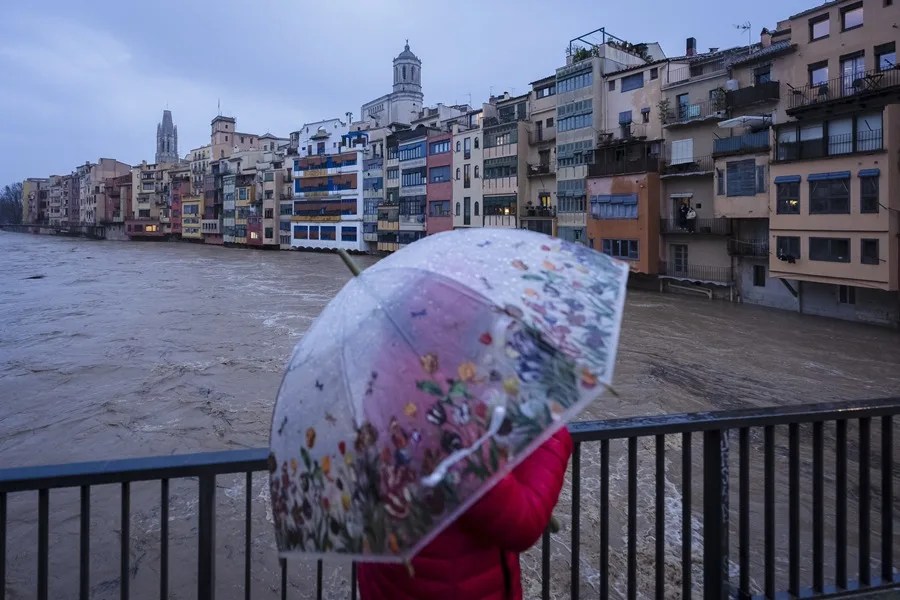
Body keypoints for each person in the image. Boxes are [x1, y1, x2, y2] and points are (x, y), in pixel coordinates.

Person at [357, 427, 574, 600]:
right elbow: (524, 523)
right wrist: (551, 430)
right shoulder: (449, 420)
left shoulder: (383, 388)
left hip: (388, 581)